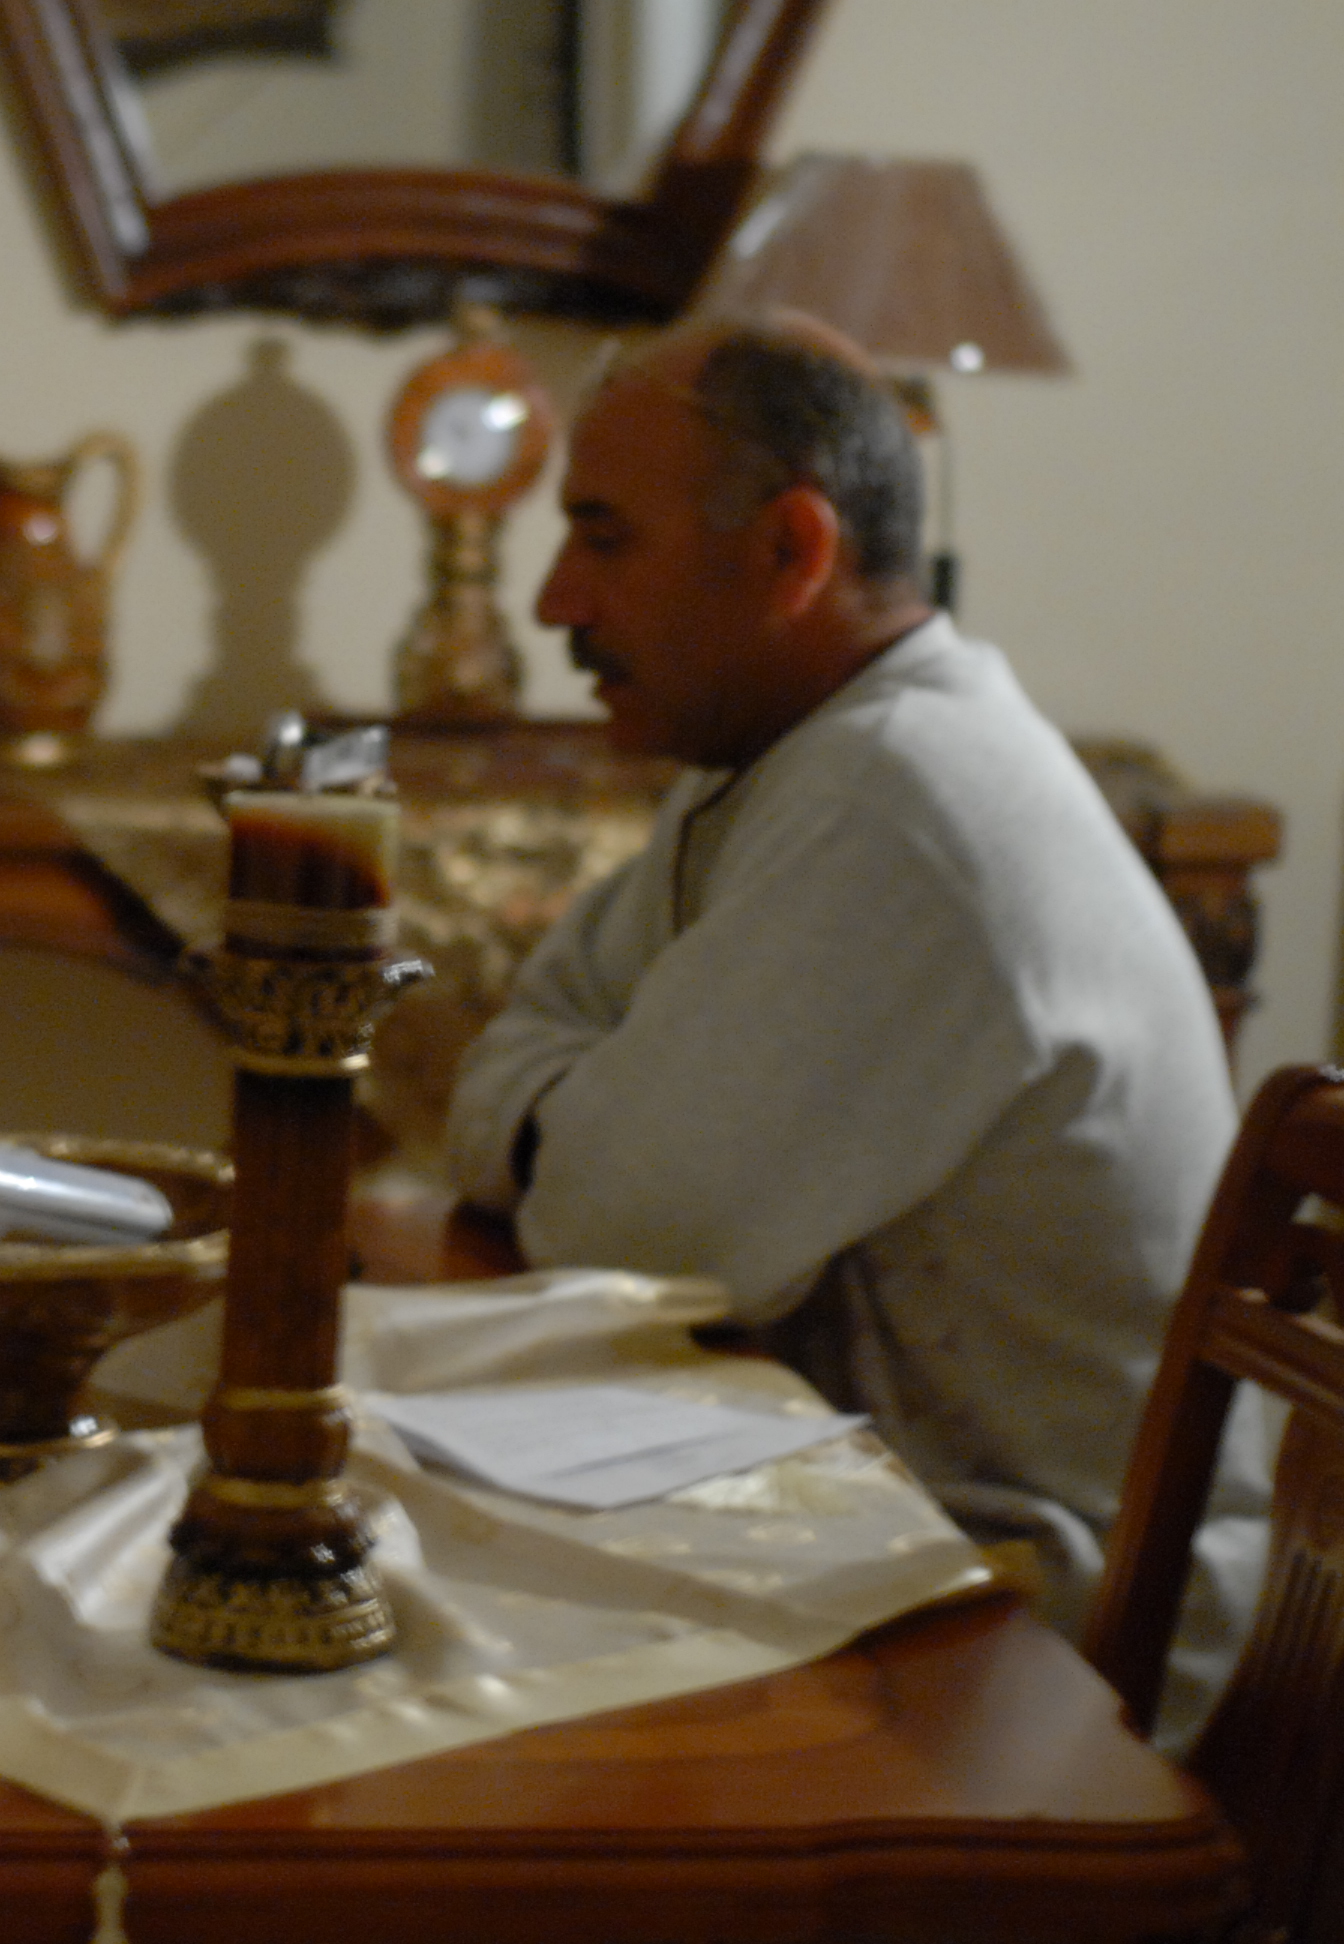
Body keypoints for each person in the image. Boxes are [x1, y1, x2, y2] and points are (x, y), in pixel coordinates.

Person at [444, 314, 1265, 1740]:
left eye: (603, 537)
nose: (556, 602)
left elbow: (623, 1233)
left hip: (1048, 1651)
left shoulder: (902, 803)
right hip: (882, 1540)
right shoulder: (787, 760)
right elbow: (507, 1065)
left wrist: (566, 1119)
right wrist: (574, 1105)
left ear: (791, 552)